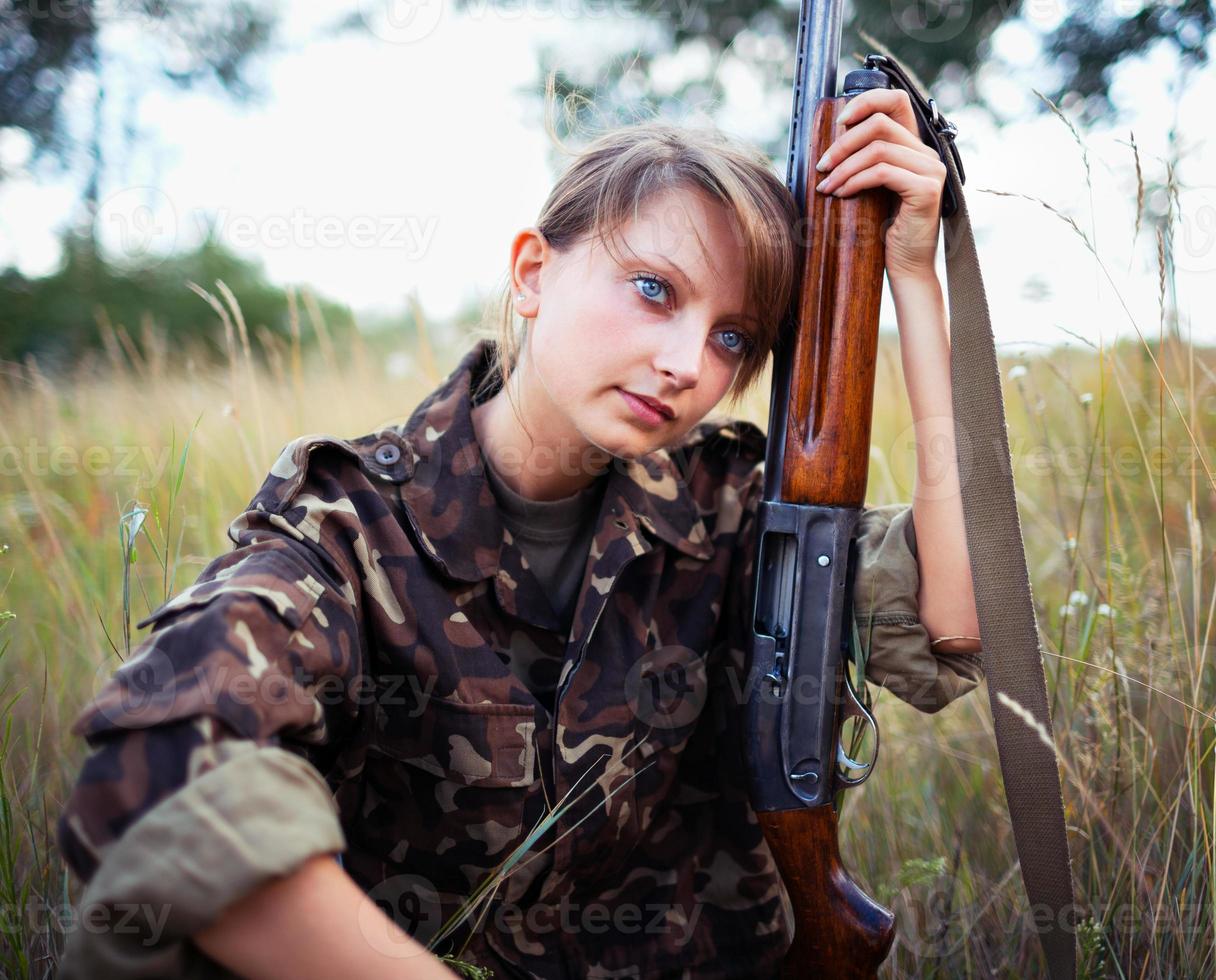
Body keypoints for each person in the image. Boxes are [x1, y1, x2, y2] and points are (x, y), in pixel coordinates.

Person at [57, 96, 984, 980]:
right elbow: (158, 777)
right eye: (655, 290)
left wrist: (911, 276)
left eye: (734, 339)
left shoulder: (730, 507)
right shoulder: (351, 526)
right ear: (533, 272)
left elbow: (958, 625)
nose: (686, 364)